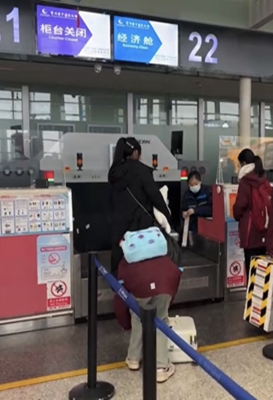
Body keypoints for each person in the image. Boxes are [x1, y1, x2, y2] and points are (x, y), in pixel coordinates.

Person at [108, 137, 172, 275]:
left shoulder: (114, 172)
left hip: (119, 225)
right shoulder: (141, 171)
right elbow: (154, 196)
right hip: (138, 224)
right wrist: (166, 214)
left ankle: (117, 282)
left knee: (119, 259)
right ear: (136, 152)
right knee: (139, 260)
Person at [114, 254, 181, 382]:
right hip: (165, 284)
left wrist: (124, 324)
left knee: (137, 317)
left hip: (140, 287)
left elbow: (120, 298)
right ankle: (161, 367)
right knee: (161, 321)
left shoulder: (126, 262)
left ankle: (133, 358)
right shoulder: (164, 258)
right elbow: (174, 278)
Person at [233, 149, 270, 278]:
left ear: (243, 163)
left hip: (250, 232)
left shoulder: (245, 181)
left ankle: (251, 291)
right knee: (262, 271)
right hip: (264, 231)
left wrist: (236, 214)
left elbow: (240, 205)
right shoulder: (263, 178)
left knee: (251, 269)